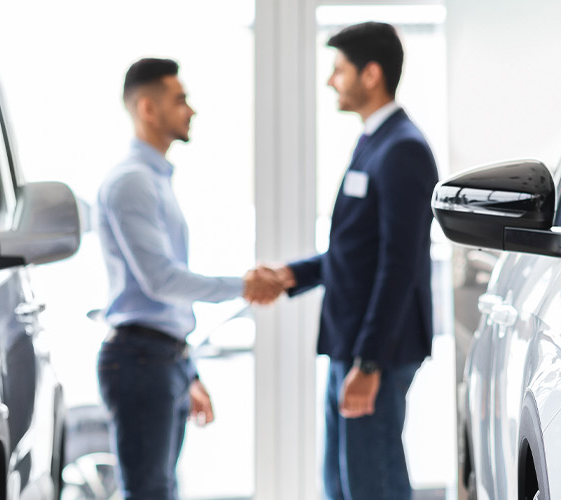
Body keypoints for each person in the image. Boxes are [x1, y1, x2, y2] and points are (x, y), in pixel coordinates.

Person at [248, 22, 439, 500]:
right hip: (352, 344)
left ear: (371, 74)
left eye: (339, 70)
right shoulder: (373, 142)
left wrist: (369, 360)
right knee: (343, 483)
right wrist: (293, 275)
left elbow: (398, 263)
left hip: (375, 350)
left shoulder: (404, 150)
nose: (331, 80)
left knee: (371, 484)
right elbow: (356, 249)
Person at [97, 57, 285, 500]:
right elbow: (161, 281)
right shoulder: (132, 183)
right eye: (179, 100)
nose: (191, 110)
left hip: (160, 359)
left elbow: (164, 300)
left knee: (161, 490)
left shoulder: (154, 180)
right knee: (149, 493)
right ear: (147, 109)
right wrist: (244, 285)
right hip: (141, 359)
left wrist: (188, 370)